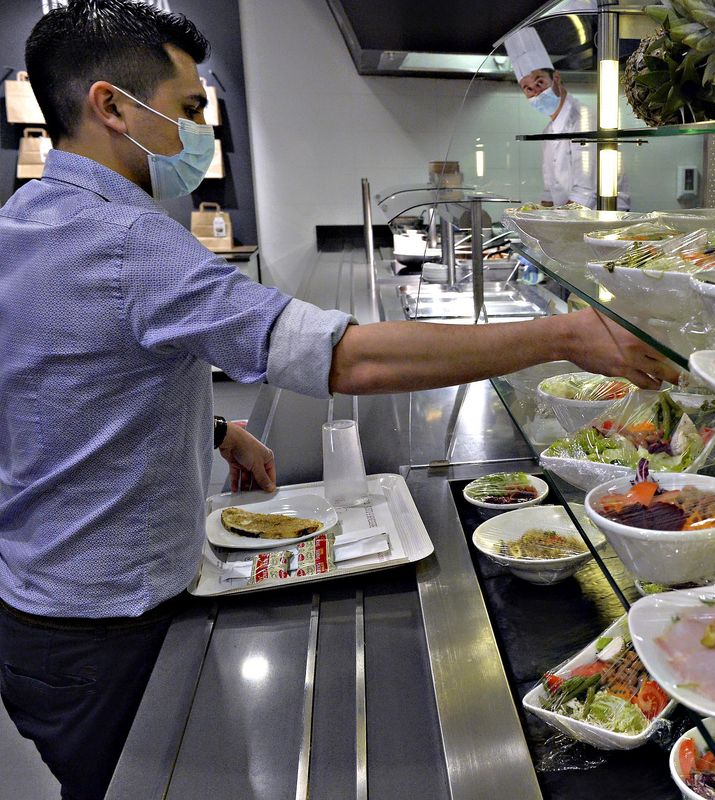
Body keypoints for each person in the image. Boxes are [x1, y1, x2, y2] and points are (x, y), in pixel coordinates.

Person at [0, 3, 677, 798]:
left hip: (40, 609)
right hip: (102, 633)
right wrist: (565, 336)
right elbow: (342, 358)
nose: (197, 134)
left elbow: (61, 382)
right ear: (110, 106)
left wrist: (214, 427)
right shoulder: (128, 240)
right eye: (187, 110)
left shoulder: (30, 218)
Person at [504, 27, 630, 210]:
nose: (536, 92)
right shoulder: (548, 131)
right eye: (528, 88)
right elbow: (549, 191)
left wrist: (554, 226)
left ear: (556, 78)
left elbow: (584, 194)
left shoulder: (584, 120)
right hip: (573, 220)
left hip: (603, 217)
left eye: (540, 82)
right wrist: (536, 218)